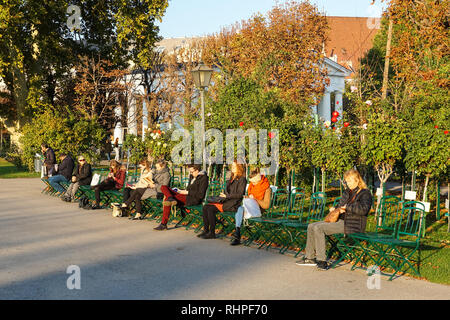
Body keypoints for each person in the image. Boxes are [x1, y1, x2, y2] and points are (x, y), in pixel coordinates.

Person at [296, 169, 373, 270]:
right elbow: (340, 205)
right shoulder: (347, 192)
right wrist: (335, 209)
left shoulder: (365, 193)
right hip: (339, 221)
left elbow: (364, 210)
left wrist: (347, 208)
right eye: (347, 181)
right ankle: (310, 258)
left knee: (319, 228)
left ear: (357, 180)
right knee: (311, 226)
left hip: (352, 224)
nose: (348, 183)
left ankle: (322, 261)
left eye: (350, 181)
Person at [154, 164, 209, 231]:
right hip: (185, 195)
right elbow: (189, 188)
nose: (191, 174)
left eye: (192, 172)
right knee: (163, 187)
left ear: (197, 170)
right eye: (190, 172)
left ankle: (163, 224)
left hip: (193, 199)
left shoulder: (204, 178)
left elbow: (201, 195)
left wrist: (187, 192)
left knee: (166, 200)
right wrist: (180, 190)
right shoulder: (192, 176)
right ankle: (170, 197)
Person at [200, 161, 247, 239]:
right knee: (205, 207)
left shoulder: (242, 179)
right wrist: (223, 195)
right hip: (226, 201)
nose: (232, 168)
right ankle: (206, 230)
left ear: (239, 167)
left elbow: (240, 194)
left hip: (233, 204)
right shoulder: (231, 178)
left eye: (234, 167)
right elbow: (227, 190)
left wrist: (227, 196)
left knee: (210, 209)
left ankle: (212, 233)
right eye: (232, 166)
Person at [230, 167, 272, 246]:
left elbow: (266, 205)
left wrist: (256, 199)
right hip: (250, 207)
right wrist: (248, 198)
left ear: (258, 180)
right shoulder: (251, 186)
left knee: (240, 211)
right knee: (239, 209)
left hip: (259, 209)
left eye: (254, 182)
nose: (253, 184)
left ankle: (237, 235)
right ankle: (237, 232)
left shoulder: (266, 188)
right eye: (252, 182)